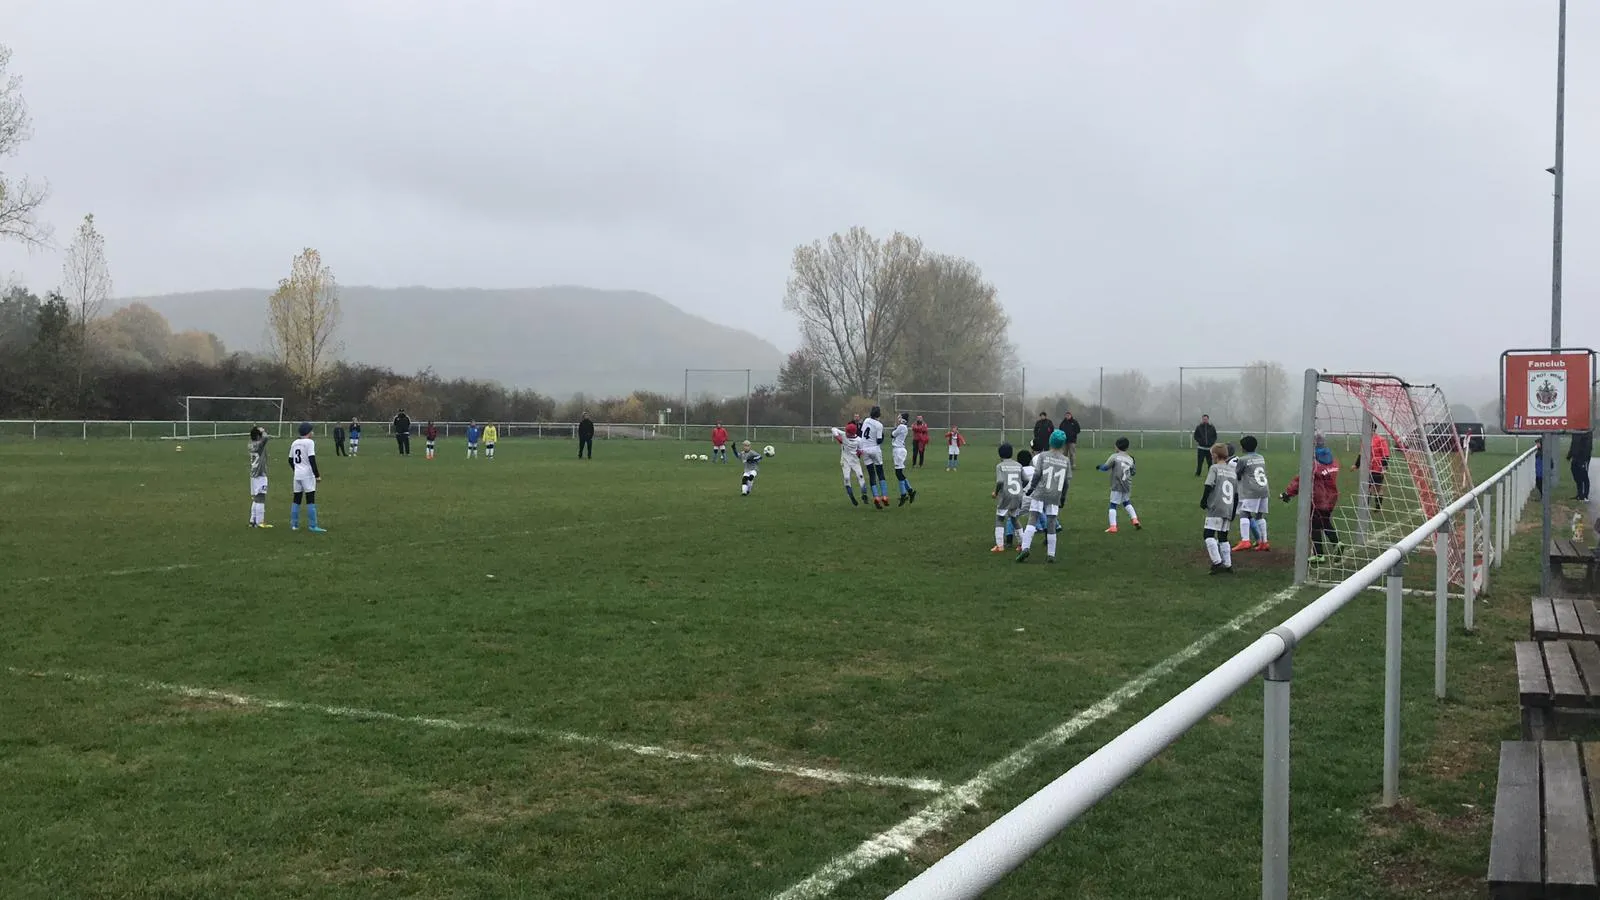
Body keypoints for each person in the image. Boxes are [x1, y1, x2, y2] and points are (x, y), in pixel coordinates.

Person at [1282, 436, 1342, 564]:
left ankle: (1322, 552)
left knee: (1315, 525)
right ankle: (1333, 545)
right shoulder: (1332, 460)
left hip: (1319, 498)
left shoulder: (1312, 463)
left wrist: (1288, 493)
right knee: (1324, 522)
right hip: (1332, 496)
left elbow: (1300, 480)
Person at [1017, 430, 1070, 564]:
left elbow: (1037, 475)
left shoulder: (1043, 456)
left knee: (1033, 518)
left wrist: (1031, 488)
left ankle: (1025, 548)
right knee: (1051, 522)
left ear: (1050, 441)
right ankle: (1051, 554)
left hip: (1040, 492)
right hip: (1055, 494)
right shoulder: (1066, 460)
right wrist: (1063, 498)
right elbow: (1066, 482)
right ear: (1062, 444)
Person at [1201, 443, 1239, 574]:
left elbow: (1208, 485)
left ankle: (1217, 562)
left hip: (1216, 506)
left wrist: (1204, 501)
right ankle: (1228, 564)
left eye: (1212, 455)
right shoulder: (1232, 471)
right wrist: (1233, 511)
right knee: (1223, 536)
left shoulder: (1214, 468)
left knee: (1208, 535)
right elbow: (1236, 494)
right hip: (1228, 507)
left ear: (1215, 455)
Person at [1232, 435, 1271, 551]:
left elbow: (1237, 474)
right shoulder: (1261, 457)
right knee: (1259, 515)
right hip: (1264, 489)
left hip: (1251, 490)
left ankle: (1245, 540)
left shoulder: (1243, 460)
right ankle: (1264, 542)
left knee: (1244, 513)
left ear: (1243, 448)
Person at [287, 421, 326, 533]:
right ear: (308, 432)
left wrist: (296, 469)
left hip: (297, 475)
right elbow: (312, 459)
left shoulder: (295, 442)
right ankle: (313, 525)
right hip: (307, 475)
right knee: (310, 499)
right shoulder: (309, 442)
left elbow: (290, 460)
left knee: (296, 499)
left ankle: (294, 525)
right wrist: (317, 475)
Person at [1097, 437, 1140, 533]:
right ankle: (1135, 519)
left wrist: (1099, 467)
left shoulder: (1114, 457)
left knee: (1113, 505)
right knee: (1126, 502)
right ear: (1127, 447)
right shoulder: (1130, 459)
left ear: (1116, 446)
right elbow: (1133, 473)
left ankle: (1113, 526)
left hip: (1117, 484)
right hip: (1127, 485)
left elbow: (1106, 467)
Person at [992, 442, 1025, 552]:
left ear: (1000, 454)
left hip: (1006, 495)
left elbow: (1000, 481)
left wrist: (996, 492)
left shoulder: (1000, 466)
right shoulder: (1019, 465)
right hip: (1018, 495)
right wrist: (1021, 488)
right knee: (1015, 518)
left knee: (1000, 518)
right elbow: (1026, 479)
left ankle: (999, 545)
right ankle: (1023, 544)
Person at [1353, 423, 1391, 512]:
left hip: (1378, 468)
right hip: (1367, 468)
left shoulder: (1381, 440)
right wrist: (1356, 465)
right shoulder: (1365, 440)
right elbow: (1361, 453)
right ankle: (1366, 506)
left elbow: (1385, 454)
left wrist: (1384, 468)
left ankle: (1378, 506)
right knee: (1367, 487)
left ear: (1372, 429)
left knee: (1377, 488)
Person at [831, 421, 868, 505]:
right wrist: (838, 437)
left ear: (852, 433)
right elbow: (833, 429)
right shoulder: (844, 435)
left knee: (860, 476)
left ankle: (864, 494)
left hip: (855, 461)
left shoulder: (859, 440)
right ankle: (851, 496)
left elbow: (861, 450)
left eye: (848, 432)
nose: (846, 433)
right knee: (847, 478)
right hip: (845, 461)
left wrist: (860, 452)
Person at [861, 406, 888, 507]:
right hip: (875, 449)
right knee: (880, 472)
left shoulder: (866, 420)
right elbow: (879, 440)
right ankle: (884, 496)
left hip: (865, 449)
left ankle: (876, 497)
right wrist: (883, 435)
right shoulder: (879, 425)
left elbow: (863, 433)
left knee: (872, 474)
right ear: (879, 414)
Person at [247, 426, 273, 528]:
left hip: (253, 475)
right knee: (261, 498)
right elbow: (266, 438)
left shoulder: (250, 444)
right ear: (258, 436)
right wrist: (263, 431)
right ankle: (260, 522)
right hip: (260, 474)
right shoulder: (259, 445)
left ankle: (252, 520)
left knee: (256, 499)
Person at [891, 412, 918, 506]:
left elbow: (892, 434)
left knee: (898, 473)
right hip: (899, 450)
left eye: (900, 417)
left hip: (899, 450)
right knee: (900, 473)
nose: (898, 419)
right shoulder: (902, 427)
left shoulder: (901, 427)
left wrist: (895, 428)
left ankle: (904, 494)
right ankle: (910, 491)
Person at [1569, 429, 1593, 502]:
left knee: (1584, 476)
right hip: (1575, 457)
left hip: (1583, 458)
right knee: (1576, 475)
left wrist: (1585, 459)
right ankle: (1579, 494)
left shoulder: (1587, 432)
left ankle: (1585, 495)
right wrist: (1569, 455)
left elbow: (1588, 446)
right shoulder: (1575, 432)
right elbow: (1573, 444)